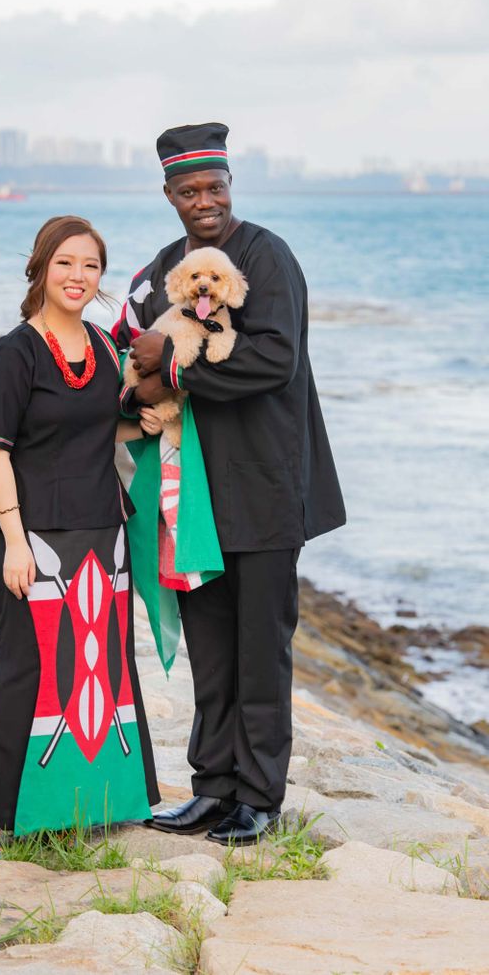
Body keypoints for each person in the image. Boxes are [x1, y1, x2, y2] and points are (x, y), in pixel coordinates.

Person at [113, 123, 346, 846]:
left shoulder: (266, 257)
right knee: (211, 646)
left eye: (214, 187)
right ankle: (211, 787)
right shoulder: (156, 271)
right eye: (189, 191)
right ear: (169, 195)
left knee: (261, 646)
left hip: (263, 486)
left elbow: (275, 360)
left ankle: (259, 796)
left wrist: (174, 368)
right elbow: (129, 345)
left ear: (229, 185)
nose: (204, 200)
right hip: (189, 495)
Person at [0, 215, 162, 860]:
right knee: (31, 667)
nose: (78, 276)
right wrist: (13, 542)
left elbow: (98, 430)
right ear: (42, 267)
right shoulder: (13, 352)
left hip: (105, 527)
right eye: (66, 263)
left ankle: (96, 801)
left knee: (105, 666)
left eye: (91, 266)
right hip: (37, 534)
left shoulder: (104, 348)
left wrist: (145, 426)